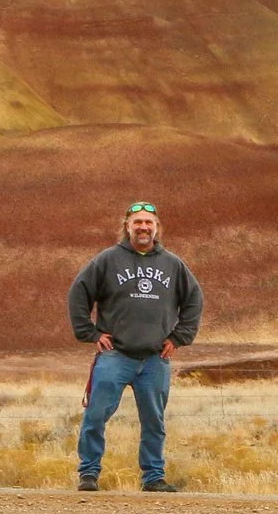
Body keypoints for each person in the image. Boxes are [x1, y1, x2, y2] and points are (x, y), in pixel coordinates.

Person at [66, 202, 204, 492]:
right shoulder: (107, 260)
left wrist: (179, 337)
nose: (143, 227)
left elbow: (194, 300)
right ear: (127, 226)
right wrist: (89, 333)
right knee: (95, 415)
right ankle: (89, 474)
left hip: (155, 359)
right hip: (115, 355)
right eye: (137, 222)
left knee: (154, 421)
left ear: (156, 227)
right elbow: (78, 292)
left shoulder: (173, 264)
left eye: (149, 222)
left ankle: (153, 477)